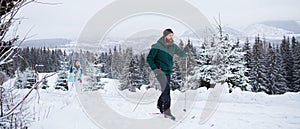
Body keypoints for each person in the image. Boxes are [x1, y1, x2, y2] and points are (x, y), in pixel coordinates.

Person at [147, 28, 188, 120]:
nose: (171, 37)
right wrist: (155, 69)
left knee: (166, 90)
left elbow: (180, 53)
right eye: (170, 35)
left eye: (172, 35)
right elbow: (149, 59)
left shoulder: (173, 46)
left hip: (168, 71)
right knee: (166, 90)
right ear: (165, 36)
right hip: (160, 71)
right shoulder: (157, 46)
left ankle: (159, 104)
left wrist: (185, 55)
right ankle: (166, 110)